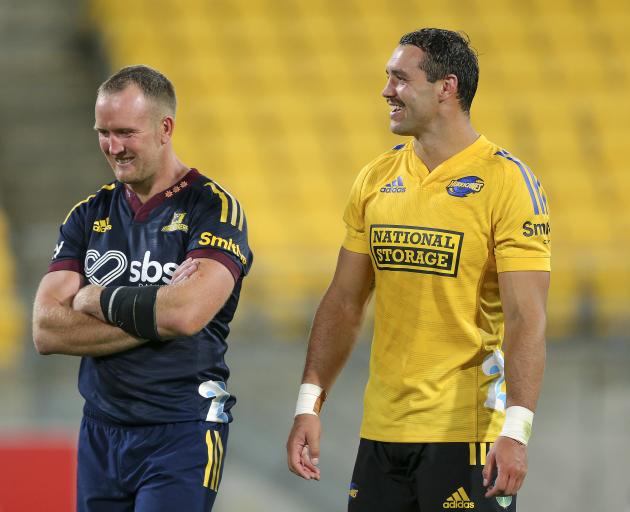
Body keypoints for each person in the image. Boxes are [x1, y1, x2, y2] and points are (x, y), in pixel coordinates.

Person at [287, 28, 550, 512]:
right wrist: (309, 404)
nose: (387, 91)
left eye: (400, 79)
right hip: (381, 433)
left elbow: (526, 318)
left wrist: (517, 431)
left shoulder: (509, 182)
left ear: (446, 88)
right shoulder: (374, 179)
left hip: (467, 437)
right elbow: (344, 301)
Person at [33, 65, 252, 512]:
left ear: (164, 128)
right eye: (103, 132)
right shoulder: (87, 213)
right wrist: (157, 315)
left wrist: (94, 299)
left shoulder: (213, 209)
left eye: (125, 133)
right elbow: (45, 329)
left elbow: (185, 314)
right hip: (100, 429)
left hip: (182, 430)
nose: (113, 147)